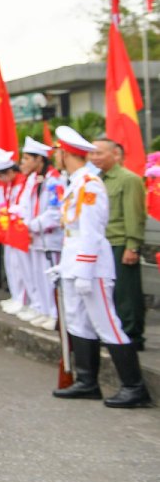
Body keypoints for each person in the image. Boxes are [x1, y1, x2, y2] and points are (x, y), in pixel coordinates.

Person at [49, 126, 151, 408]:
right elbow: (73, 232)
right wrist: (65, 266)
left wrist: (83, 268)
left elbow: (92, 232)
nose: (55, 157)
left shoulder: (89, 183)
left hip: (91, 266)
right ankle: (87, 382)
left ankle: (134, 387)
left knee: (107, 323)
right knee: (78, 322)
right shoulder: (75, 182)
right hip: (75, 262)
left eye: (57, 152)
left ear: (65, 153)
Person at [91, 137, 147, 351]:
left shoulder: (128, 179)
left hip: (121, 242)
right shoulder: (96, 179)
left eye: (99, 153)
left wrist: (132, 245)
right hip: (103, 243)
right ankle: (116, 333)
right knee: (109, 293)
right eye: (92, 153)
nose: (95, 157)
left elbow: (134, 214)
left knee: (126, 293)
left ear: (116, 154)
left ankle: (133, 336)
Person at [19, 137, 64, 331]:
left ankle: (55, 314)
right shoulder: (34, 179)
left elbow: (55, 211)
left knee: (51, 279)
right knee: (39, 276)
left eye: (28, 158)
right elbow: (26, 205)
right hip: (35, 237)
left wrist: (33, 224)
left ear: (40, 160)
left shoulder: (54, 179)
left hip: (50, 238)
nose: (24, 162)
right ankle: (44, 310)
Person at [0, 147, 33, 318]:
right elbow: (2, 205)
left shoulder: (23, 183)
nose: (1, 179)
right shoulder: (6, 186)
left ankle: (25, 300)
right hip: (9, 229)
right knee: (11, 264)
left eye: (3, 175)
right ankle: (16, 296)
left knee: (23, 267)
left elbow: (22, 206)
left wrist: (9, 213)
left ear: (11, 171)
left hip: (20, 229)